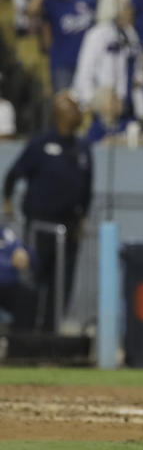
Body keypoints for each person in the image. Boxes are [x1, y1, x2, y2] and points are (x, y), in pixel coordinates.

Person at [2, 92, 91, 333]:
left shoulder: (82, 148)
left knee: (62, 285)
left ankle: (51, 337)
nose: (78, 113)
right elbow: (14, 173)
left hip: (69, 228)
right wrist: (8, 198)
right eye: (73, 108)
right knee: (33, 280)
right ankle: (28, 336)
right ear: (60, 112)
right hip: (41, 226)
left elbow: (87, 190)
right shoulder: (40, 144)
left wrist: (83, 219)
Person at [0, 223, 38, 332]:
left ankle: (19, 344)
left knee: (27, 294)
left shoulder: (5, 234)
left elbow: (26, 254)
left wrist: (25, 255)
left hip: (7, 284)